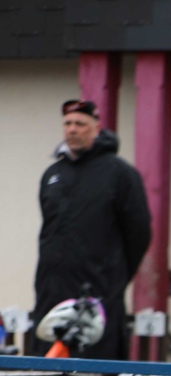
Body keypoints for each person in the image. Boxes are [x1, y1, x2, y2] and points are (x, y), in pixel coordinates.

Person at [31, 98, 151, 362]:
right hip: (51, 293)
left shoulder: (120, 174)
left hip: (97, 294)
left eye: (80, 124)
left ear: (96, 128)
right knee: (45, 372)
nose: (72, 129)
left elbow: (139, 233)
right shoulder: (53, 174)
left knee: (92, 373)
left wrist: (113, 277)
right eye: (68, 124)